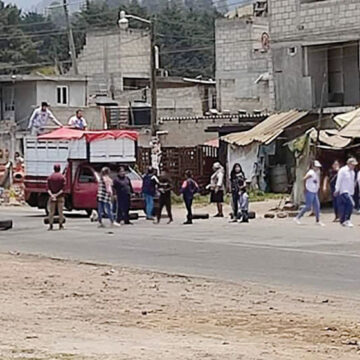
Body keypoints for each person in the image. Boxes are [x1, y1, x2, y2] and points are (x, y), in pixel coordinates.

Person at [294, 160, 324, 226]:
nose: (317, 168)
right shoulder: (311, 173)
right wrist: (305, 188)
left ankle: (317, 220)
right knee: (308, 206)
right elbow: (304, 179)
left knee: (317, 206)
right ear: (313, 166)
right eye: (316, 167)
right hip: (310, 191)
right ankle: (297, 217)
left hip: (314, 191)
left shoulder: (317, 172)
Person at [335, 157, 358, 228]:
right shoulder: (343, 170)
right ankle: (347, 220)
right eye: (352, 164)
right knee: (351, 204)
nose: (354, 166)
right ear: (348, 164)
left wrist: (352, 192)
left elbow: (352, 183)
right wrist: (337, 189)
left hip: (350, 191)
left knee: (345, 206)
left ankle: (343, 221)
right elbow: (339, 180)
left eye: (354, 165)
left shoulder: (353, 172)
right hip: (343, 191)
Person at [47, 164, 66, 231]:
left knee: (51, 212)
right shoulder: (62, 177)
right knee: (60, 211)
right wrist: (57, 195)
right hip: (60, 197)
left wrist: (52, 195)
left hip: (52, 197)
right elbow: (63, 189)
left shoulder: (50, 177)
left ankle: (50, 225)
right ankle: (60, 225)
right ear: (60, 169)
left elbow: (48, 189)